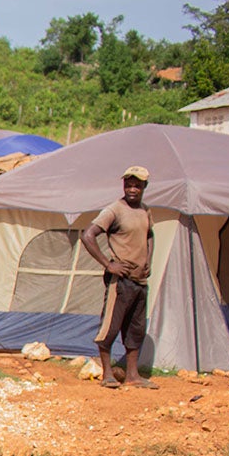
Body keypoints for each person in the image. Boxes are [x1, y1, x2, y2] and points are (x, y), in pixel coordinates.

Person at [80, 166, 157, 389]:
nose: (132, 189)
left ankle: (132, 375)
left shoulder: (145, 210)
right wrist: (109, 264)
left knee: (136, 328)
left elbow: (149, 235)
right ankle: (107, 374)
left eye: (137, 185)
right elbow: (88, 235)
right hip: (121, 281)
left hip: (140, 280)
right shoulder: (114, 210)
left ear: (144, 187)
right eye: (128, 184)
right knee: (111, 326)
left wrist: (149, 261)